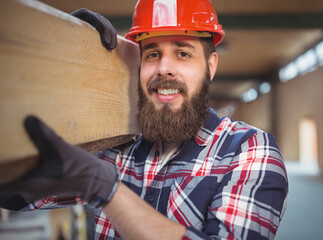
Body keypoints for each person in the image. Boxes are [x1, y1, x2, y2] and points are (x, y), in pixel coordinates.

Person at [0, 0, 288, 239]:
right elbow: (13, 193)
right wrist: (60, 61)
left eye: (183, 53)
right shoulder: (116, 150)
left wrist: (107, 190)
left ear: (210, 67)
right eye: (152, 54)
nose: (164, 68)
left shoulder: (249, 150)